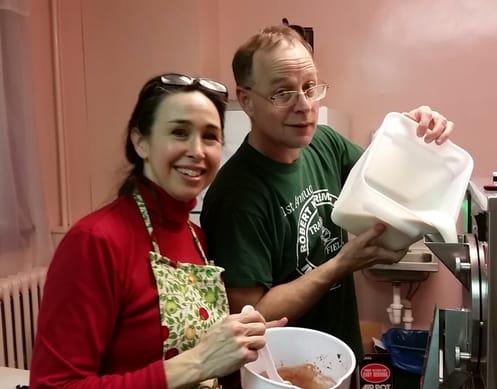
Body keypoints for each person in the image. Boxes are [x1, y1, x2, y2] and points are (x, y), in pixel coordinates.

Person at [200, 25, 454, 358]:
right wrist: (339, 265)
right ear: (246, 100)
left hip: (340, 355)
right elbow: (252, 315)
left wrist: (413, 135)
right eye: (282, 93)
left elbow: (389, 183)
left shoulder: (325, 143)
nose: (304, 105)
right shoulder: (236, 196)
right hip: (283, 372)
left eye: (309, 87)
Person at [30, 73, 286, 388]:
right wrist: (198, 361)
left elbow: (207, 361)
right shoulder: (95, 241)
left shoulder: (197, 237)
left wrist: (241, 344)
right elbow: (53, 385)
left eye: (210, 136)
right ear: (141, 142)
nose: (197, 150)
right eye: (179, 132)